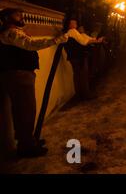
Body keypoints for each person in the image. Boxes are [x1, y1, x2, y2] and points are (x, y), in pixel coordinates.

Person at [0, 8, 66, 157]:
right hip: (18, 76)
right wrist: (55, 40)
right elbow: (30, 44)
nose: (21, 17)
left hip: (20, 75)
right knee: (25, 111)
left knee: (25, 110)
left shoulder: (14, 32)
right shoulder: (11, 33)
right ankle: (26, 146)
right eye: (17, 15)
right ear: (6, 18)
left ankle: (28, 140)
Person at [64, 19, 103, 100]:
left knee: (77, 75)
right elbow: (83, 42)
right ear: (69, 25)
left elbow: (85, 39)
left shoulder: (71, 32)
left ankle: (79, 94)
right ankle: (86, 94)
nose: (75, 23)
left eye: (75, 22)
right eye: (73, 22)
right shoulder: (72, 31)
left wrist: (94, 40)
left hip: (74, 57)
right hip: (78, 57)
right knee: (83, 75)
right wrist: (96, 41)